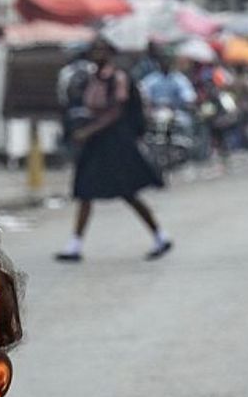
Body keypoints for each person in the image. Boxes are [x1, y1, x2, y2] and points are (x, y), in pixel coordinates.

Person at [56, 38, 173, 263]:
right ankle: (75, 245)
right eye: (94, 51)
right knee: (85, 190)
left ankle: (160, 235)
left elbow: (115, 112)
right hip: (96, 142)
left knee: (127, 191)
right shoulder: (90, 79)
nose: (97, 55)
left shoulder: (119, 78)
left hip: (115, 141)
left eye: (101, 51)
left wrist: (88, 131)